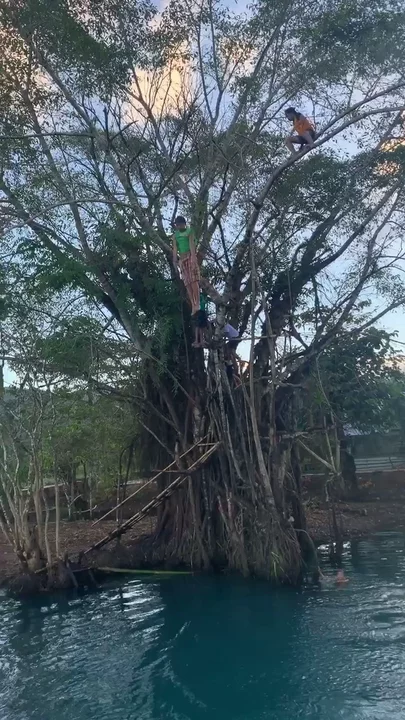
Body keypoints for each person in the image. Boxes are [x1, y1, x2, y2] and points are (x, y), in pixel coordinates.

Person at [172, 216, 200, 315]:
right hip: (182, 258)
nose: (179, 227)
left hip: (190, 256)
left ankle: (197, 303)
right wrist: (175, 260)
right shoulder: (175, 235)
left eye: (180, 225)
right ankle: (193, 304)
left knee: (193, 281)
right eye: (177, 225)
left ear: (184, 224)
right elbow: (175, 248)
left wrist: (194, 258)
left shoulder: (189, 231)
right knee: (187, 283)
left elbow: (192, 245)